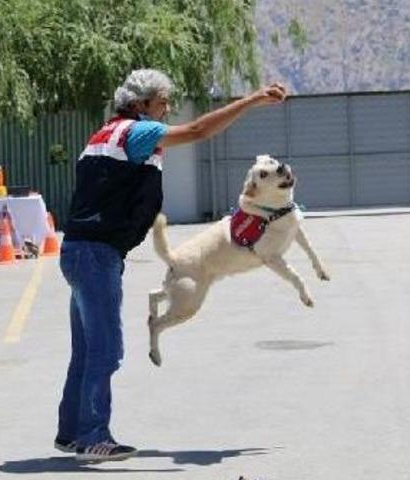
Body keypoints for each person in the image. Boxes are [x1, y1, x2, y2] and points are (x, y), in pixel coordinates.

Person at [56, 69, 286, 462]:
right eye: (162, 102)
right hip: (96, 254)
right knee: (106, 350)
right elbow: (197, 131)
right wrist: (251, 101)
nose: (167, 110)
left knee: (87, 348)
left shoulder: (103, 134)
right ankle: (93, 436)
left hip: (79, 250)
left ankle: (71, 433)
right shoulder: (137, 131)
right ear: (141, 104)